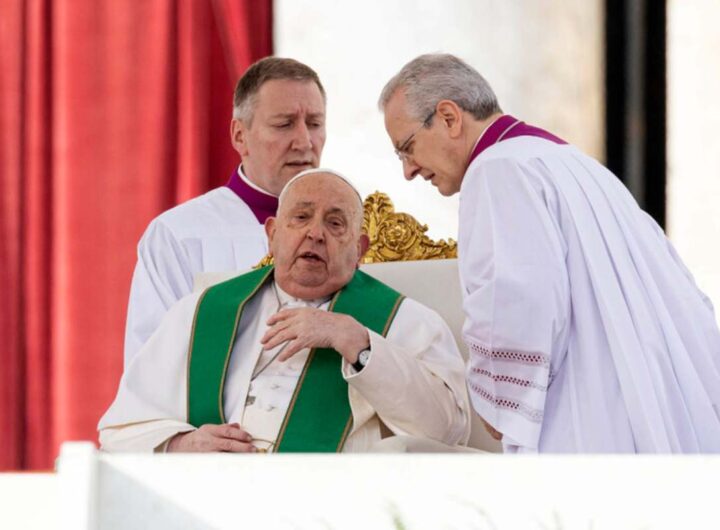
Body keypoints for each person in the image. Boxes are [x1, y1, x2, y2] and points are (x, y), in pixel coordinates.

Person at [378, 53, 720, 453]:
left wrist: (500, 397)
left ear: (450, 117)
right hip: (653, 398)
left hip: (587, 417)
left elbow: (518, 298)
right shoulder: (577, 164)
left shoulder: (497, 171)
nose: (409, 170)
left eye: (407, 148)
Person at [99, 169, 470, 453]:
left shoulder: (406, 322)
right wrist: (181, 445)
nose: (316, 233)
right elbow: (119, 431)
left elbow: (447, 431)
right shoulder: (200, 312)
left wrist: (358, 343)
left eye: (335, 223)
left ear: (359, 249)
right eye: (301, 217)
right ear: (272, 234)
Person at [123, 57, 327, 367]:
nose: (304, 141)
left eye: (314, 123)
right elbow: (149, 366)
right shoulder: (179, 234)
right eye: (284, 124)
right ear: (239, 136)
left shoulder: (353, 229)